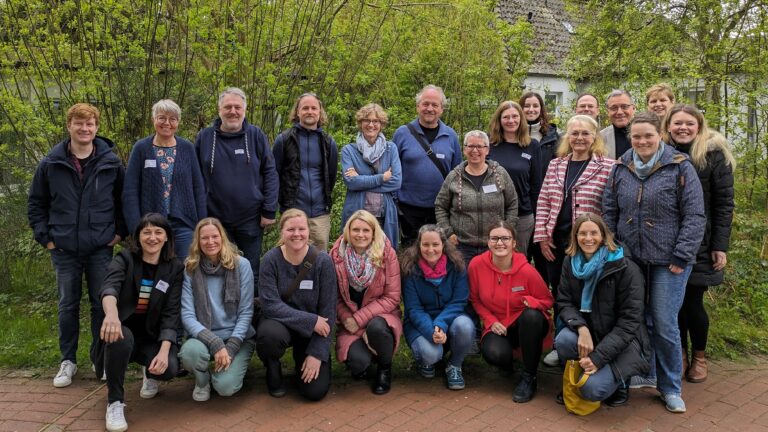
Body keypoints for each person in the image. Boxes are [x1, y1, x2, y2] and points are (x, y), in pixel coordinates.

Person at [603, 111, 705, 413]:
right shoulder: (621, 166)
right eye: (637, 136)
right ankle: (641, 372)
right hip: (630, 258)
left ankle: (670, 386)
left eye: (648, 135)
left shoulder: (679, 167)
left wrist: (682, 255)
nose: (642, 141)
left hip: (668, 261)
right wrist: (614, 246)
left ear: (660, 135)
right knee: (633, 318)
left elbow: (695, 215)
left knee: (663, 323)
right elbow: (609, 208)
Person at [28, 103, 127, 388]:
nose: (85, 129)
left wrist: (119, 232)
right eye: (79, 124)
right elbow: (36, 203)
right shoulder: (50, 163)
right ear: (69, 126)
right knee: (67, 305)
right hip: (63, 248)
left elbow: (123, 200)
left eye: (90, 124)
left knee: (101, 304)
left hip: (100, 247)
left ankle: (100, 358)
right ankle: (68, 360)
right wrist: (45, 238)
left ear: (97, 128)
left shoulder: (111, 163)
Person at [533, 114, 614, 367]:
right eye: (574, 133)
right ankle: (561, 343)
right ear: (567, 137)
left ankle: (593, 345)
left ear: (594, 137)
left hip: (589, 244)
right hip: (556, 242)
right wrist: (543, 237)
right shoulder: (556, 165)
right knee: (561, 294)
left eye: (585, 133)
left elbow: (610, 207)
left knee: (589, 295)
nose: (579, 138)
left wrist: (605, 242)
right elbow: (544, 200)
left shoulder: (608, 167)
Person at [663, 104, 735, 383]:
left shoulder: (713, 155)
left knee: (693, 301)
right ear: (668, 125)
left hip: (700, 242)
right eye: (677, 123)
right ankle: (678, 353)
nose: (683, 128)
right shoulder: (664, 152)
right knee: (673, 304)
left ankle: (700, 356)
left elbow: (724, 204)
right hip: (667, 240)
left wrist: (720, 245)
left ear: (699, 126)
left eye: (689, 124)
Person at [96, 213, 183, 432]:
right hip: (120, 331)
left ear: (166, 238)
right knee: (120, 338)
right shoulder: (124, 259)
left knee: (169, 369)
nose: (152, 237)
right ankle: (114, 402)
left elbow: (171, 314)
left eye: (158, 232)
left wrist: (164, 351)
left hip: (149, 336)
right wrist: (112, 315)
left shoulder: (174, 268)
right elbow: (109, 287)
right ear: (138, 236)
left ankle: (149, 370)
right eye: (146, 232)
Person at [555, 213, 650, 408]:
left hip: (623, 341)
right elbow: (564, 302)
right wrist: (581, 328)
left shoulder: (625, 267)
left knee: (592, 391)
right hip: (590, 333)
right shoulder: (570, 262)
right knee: (564, 340)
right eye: (582, 233)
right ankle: (579, 374)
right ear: (575, 236)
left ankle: (621, 382)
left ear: (604, 235)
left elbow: (629, 322)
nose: (588, 238)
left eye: (593, 233)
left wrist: (598, 358)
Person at [195, 87, 278, 289]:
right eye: (228, 107)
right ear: (219, 109)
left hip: (250, 218)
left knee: (250, 270)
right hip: (215, 220)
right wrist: (199, 214)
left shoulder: (256, 135)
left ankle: (250, 316)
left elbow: (270, 172)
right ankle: (222, 316)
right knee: (218, 270)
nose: (233, 111)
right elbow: (194, 178)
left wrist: (269, 209)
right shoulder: (204, 137)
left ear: (245, 110)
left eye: (237, 107)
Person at [468, 221, 554, 403]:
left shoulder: (527, 271)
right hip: (498, 324)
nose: (500, 243)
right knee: (495, 354)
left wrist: (531, 301)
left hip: (527, 324)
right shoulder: (476, 265)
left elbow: (548, 301)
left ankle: (530, 376)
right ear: (488, 242)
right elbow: (475, 299)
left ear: (514, 243)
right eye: (495, 238)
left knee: (531, 315)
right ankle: (509, 360)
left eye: (505, 238)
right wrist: (490, 321)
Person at [257, 209, 337, 401]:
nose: (296, 234)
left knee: (314, 392)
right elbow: (270, 304)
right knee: (269, 335)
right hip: (281, 326)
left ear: (309, 232)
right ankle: (273, 367)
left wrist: (317, 354)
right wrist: (310, 320)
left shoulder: (323, 262)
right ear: (282, 232)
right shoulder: (270, 260)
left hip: (312, 334)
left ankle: (303, 360)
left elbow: (328, 313)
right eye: (290, 229)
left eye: (301, 229)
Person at [179, 218, 255, 401]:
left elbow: (246, 312)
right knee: (190, 353)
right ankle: (202, 379)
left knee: (225, 388)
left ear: (223, 238)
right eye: (204, 238)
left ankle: (223, 373)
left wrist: (230, 347)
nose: (210, 242)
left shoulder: (242, 265)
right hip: (205, 336)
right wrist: (215, 343)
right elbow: (187, 315)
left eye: (215, 236)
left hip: (237, 337)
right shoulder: (190, 269)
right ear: (198, 241)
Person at [123, 99, 206, 259]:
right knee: (154, 273)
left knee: (185, 271)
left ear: (178, 122)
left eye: (172, 119)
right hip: (150, 226)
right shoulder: (141, 148)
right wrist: (136, 229)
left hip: (184, 224)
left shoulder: (187, 148)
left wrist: (202, 225)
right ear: (153, 119)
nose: (167, 123)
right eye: (161, 117)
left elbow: (198, 189)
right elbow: (130, 191)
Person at [330, 210, 402, 395]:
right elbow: (334, 297)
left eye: (365, 230)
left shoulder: (387, 254)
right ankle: (369, 358)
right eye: (355, 230)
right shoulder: (336, 256)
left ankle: (385, 367)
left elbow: (392, 297)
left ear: (373, 232)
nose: (360, 235)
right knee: (357, 363)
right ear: (348, 231)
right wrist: (348, 319)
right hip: (349, 320)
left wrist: (359, 320)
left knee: (377, 328)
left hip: (381, 316)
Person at [401, 225, 475, 390]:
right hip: (419, 325)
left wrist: (440, 323)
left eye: (435, 244)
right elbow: (414, 309)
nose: (430, 249)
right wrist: (431, 331)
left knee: (465, 326)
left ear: (443, 244)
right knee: (431, 354)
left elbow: (459, 301)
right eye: (425, 244)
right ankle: (427, 360)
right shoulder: (410, 269)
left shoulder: (457, 266)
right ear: (419, 245)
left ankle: (454, 365)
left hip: (450, 319)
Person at [393, 84, 462, 246]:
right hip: (408, 210)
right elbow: (392, 169)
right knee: (410, 256)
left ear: (442, 109)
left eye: (434, 105)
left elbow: (457, 174)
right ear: (418, 107)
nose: (429, 108)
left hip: (440, 211)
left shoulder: (451, 136)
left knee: (438, 255)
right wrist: (395, 203)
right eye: (425, 104)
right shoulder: (402, 133)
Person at [435, 130, 518, 264]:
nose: (475, 150)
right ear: (464, 149)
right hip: (461, 246)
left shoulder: (500, 174)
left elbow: (512, 204)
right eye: (470, 146)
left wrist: (507, 231)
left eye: (479, 146)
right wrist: (448, 232)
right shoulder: (454, 176)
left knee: (491, 283)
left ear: (487, 150)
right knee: (465, 283)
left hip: (495, 244)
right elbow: (440, 206)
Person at [273, 93, 339, 251]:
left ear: (319, 112)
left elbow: (331, 176)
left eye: (314, 108)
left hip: (320, 212)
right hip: (292, 210)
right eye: (305, 108)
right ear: (297, 112)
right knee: (290, 255)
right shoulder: (284, 140)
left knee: (319, 257)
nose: (310, 111)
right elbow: (274, 175)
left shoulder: (328, 142)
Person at [341, 104, 402, 249]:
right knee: (354, 255)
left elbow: (396, 182)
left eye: (376, 121)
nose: (371, 124)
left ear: (381, 124)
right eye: (366, 120)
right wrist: (382, 178)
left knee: (383, 255)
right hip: (357, 213)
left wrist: (361, 180)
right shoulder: (349, 150)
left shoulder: (390, 148)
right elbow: (351, 183)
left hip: (383, 214)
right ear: (360, 123)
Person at [488, 101, 540, 255]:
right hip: (492, 213)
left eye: (515, 116)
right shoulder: (489, 144)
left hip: (522, 216)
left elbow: (536, 184)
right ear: (499, 120)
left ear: (521, 118)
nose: (511, 120)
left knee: (517, 260)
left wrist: (535, 214)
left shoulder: (532, 145)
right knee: (492, 258)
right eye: (506, 117)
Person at [520, 91, 559, 287]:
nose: (531, 109)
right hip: (522, 206)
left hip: (547, 205)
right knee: (522, 259)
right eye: (526, 106)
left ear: (542, 109)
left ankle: (545, 304)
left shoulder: (554, 138)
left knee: (544, 258)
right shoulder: (514, 136)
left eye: (535, 106)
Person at [600, 90, 637, 159]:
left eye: (624, 106)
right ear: (608, 111)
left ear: (634, 108)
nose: (619, 112)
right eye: (614, 108)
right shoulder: (600, 138)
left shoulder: (647, 134)